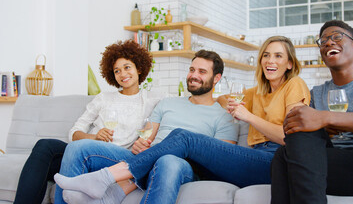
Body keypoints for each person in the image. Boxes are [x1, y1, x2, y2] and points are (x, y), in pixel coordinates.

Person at [53, 36, 311, 204]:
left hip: (275, 158)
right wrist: (143, 143)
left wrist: (246, 115)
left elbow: (290, 139)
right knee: (77, 147)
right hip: (156, 155)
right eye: (266, 55)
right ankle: (113, 186)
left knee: (174, 149)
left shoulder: (294, 85)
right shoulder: (256, 93)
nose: (270, 60)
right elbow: (226, 99)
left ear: (290, 63)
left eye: (278, 56)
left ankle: (113, 178)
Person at [54, 49, 239, 204]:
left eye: (202, 72)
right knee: (77, 147)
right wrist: (140, 144)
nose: (193, 75)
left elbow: (219, 162)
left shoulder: (226, 117)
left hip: (183, 166)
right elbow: (146, 137)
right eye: (192, 69)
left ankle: (112, 188)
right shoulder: (168, 103)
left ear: (216, 78)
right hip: (145, 158)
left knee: (167, 160)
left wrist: (222, 101)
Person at [270, 20, 353, 204]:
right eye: (323, 41)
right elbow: (305, 134)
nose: (329, 42)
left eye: (337, 37)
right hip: (329, 160)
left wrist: (324, 118)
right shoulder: (316, 93)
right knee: (286, 149)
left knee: (283, 157)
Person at [13, 40, 154, 204]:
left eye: (127, 67)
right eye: (117, 71)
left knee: (73, 151)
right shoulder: (103, 98)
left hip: (116, 160)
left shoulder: (151, 101)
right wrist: (94, 137)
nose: (123, 74)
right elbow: (74, 133)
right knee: (45, 146)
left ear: (139, 68)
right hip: (85, 152)